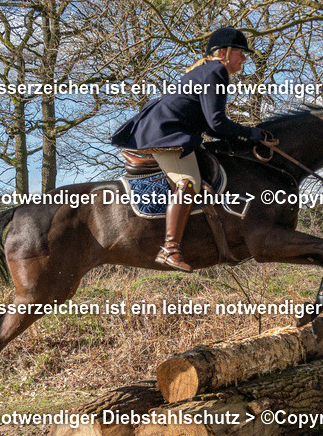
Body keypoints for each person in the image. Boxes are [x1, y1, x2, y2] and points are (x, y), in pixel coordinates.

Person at [111, 26, 265, 271]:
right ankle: (170, 248)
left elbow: (211, 127)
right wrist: (251, 133)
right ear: (224, 53)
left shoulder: (206, 71)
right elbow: (217, 122)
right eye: (241, 52)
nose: (244, 58)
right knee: (188, 182)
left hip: (169, 130)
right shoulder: (216, 71)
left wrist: (243, 138)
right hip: (166, 133)